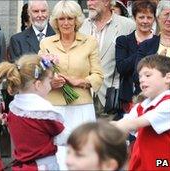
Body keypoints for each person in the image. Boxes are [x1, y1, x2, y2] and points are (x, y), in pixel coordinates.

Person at [39, 1, 104, 168]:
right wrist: (51, 82)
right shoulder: (46, 43)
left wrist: (81, 81)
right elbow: (39, 75)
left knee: (83, 149)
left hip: (82, 106)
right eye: (61, 19)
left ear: (77, 20)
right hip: (54, 106)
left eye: (70, 18)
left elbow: (98, 75)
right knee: (56, 152)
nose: (66, 23)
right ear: (56, 21)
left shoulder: (90, 42)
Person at [0, 54, 66, 170]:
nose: (50, 87)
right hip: (43, 166)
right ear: (38, 85)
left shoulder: (14, 108)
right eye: (49, 82)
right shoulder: (44, 112)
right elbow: (63, 138)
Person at [112, 55, 170, 170]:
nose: (142, 79)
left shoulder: (169, 104)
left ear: (168, 77)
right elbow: (125, 123)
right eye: (140, 77)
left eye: (148, 75)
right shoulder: (140, 106)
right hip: (141, 163)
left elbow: (133, 123)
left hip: (163, 164)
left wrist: (99, 129)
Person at [80, 0, 135, 119]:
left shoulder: (127, 25)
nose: (89, 3)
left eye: (93, 0)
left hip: (110, 96)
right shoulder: (81, 25)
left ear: (106, 2)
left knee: (107, 137)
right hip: (83, 94)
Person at [116, 0, 157, 114]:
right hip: (128, 99)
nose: (145, 21)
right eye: (141, 17)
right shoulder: (123, 40)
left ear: (154, 19)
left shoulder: (159, 41)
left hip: (154, 98)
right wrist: (143, 48)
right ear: (134, 18)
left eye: (149, 17)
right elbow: (122, 68)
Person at [133, 0, 170, 94]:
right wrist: (156, 62)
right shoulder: (146, 45)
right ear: (158, 18)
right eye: (166, 14)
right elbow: (136, 76)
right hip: (152, 99)